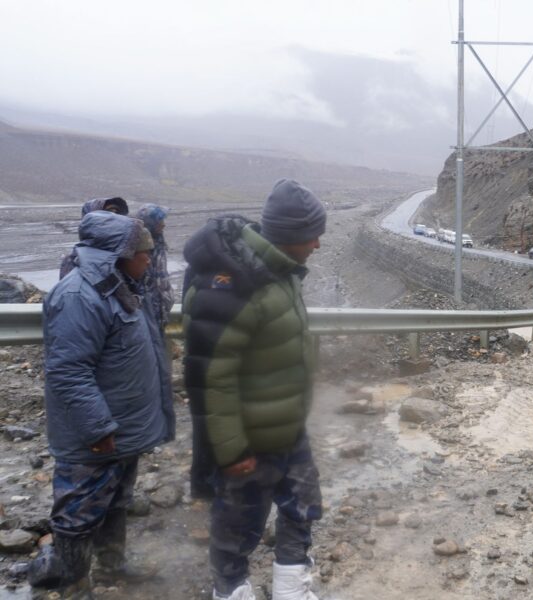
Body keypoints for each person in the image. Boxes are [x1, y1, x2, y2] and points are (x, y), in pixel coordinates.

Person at [183, 179, 326, 600]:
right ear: (288, 234)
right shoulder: (233, 285)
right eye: (311, 235)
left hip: (286, 426)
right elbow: (211, 376)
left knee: (303, 505)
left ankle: (290, 589)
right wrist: (231, 450)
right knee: (238, 524)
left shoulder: (280, 272)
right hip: (247, 438)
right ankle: (230, 591)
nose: (317, 244)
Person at [30, 211, 174, 598]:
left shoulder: (122, 287)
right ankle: (75, 585)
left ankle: (113, 565)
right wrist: (98, 429)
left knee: (116, 500)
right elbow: (68, 371)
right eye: (143, 252)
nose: (149, 259)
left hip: (122, 427)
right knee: (79, 511)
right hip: (96, 434)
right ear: (118, 254)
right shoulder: (79, 296)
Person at [58, 197, 130, 280]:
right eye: (107, 214)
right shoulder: (74, 261)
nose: (115, 219)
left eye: (117, 214)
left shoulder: (129, 255)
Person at [136, 204, 174, 330]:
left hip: (161, 310)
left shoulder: (159, 243)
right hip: (145, 313)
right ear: (149, 223)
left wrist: (168, 300)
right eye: (159, 221)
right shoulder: (136, 249)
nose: (163, 224)